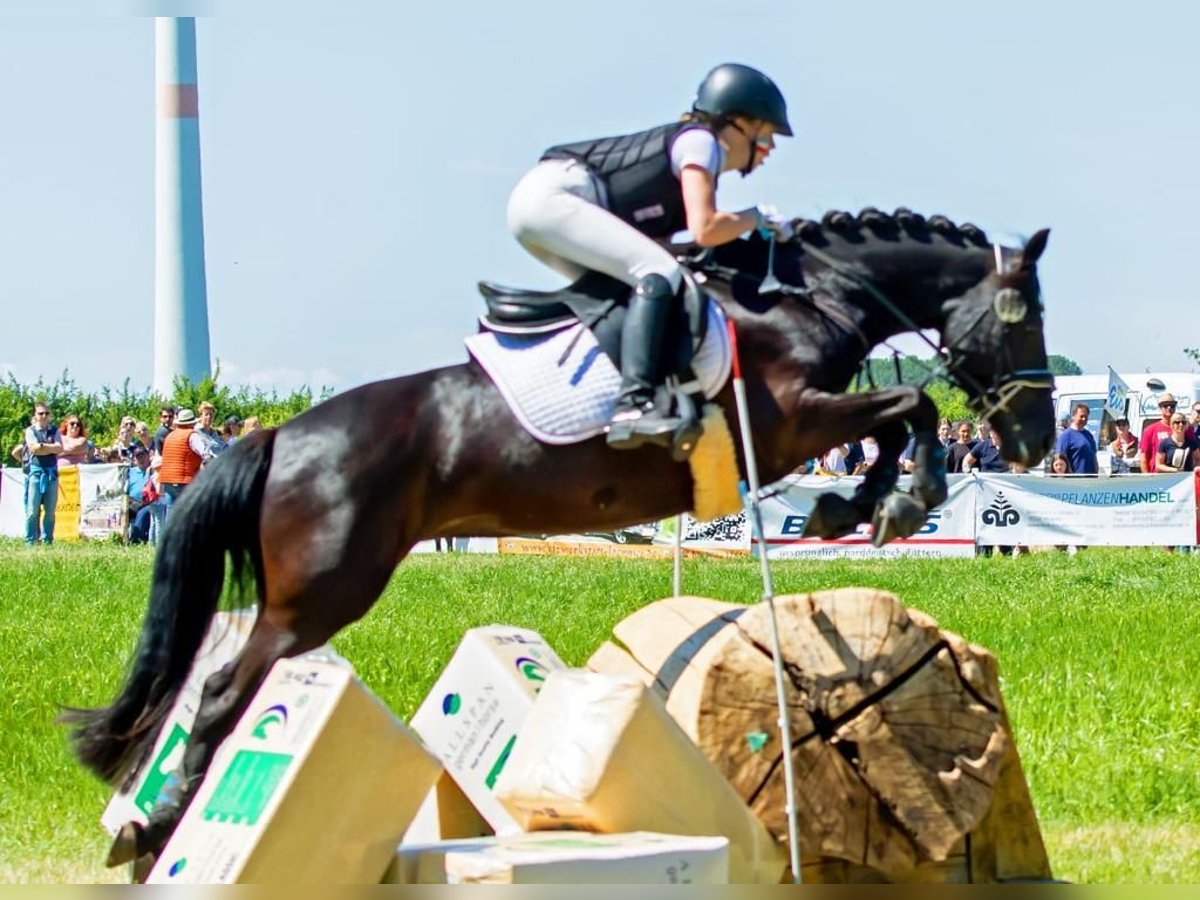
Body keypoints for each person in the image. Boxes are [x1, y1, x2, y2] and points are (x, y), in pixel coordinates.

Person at [507, 62, 794, 453]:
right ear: (738, 122)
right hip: (555, 197)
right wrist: (755, 217)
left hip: (541, 206)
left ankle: (596, 395)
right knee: (656, 272)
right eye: (767, 133)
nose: (771, 148)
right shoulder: (702, 142)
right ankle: (634, 405)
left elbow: (676, 247)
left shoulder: (688, 155)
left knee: (633, 287)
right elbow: (705, 229)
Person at [23, 402, 62, 545]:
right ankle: (30, 541)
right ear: (35, 415)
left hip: (51, 473)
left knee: (50, 511)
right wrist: (49, 448)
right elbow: (33, 448)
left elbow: (59, 448)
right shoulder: (30, 430)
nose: (44, 416)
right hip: (36, 473)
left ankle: (47, 540)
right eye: (41, 413)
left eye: (46, 413)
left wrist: (43, 446)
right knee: (32, 510)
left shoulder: (55, 430)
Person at [157, 408, 215, 504]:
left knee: (171, 515)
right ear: (192, 423)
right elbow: (206, 454)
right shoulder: (192, 435)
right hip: (185, 481)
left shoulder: (170, 436)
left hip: (167, 481)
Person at [1138, 393, 1195, 474]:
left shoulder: (1187, 428)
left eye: (1172, 405)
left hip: (1182, 476)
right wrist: (1146, 477)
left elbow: (1195, 453)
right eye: (1165, 405)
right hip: (1158, 477)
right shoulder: (1150, 430)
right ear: (1160, 408)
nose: (1169, 408)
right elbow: (1144, 457)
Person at [1055, 403, 1098, 475]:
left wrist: (1096, 472)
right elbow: (1060, 461)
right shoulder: (1066, 436)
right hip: (1074, 481)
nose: (1084, 419)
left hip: (1091, 480)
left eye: (1086, 417)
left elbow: (1094, 457)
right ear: (1074, 417)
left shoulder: (1089, 435)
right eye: (1081, 416)